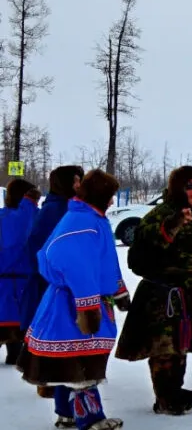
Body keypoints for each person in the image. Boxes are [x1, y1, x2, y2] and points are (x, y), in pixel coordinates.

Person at [17, 169, 129, 430]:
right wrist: (88, 309)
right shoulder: (82, 225)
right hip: (72, 304)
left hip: (75, 301)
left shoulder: (91, 219)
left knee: (68, 361)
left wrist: (119, 290)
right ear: (100, 195)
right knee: (81, 363)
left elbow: (105, 262)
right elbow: (78, 269)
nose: (112, 201)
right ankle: (90, 419)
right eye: (110, 195)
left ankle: (67, 414)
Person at [114, 166, 192, 415]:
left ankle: (175, 388)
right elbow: (139, 257)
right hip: (162, 293)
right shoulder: (160, 214)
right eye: (189, 186)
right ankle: (164, 397)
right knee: (165, 348)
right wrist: (171, 227)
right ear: (178, 188)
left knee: (182, 344)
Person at [18, 165, 84, 399]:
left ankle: (53, 382)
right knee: (58, 333)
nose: (79, 185)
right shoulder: (59, 210)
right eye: (76, 181)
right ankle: (53, 383)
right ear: (64, 184)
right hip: (54, 285)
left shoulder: (60, 207)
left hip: (52, 284)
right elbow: (44, 252)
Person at [0, 178, 41, 366]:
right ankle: (14, 356)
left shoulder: (2, 217)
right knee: (19, 326)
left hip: (3, 282)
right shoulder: (37, 217)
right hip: (26, 282)